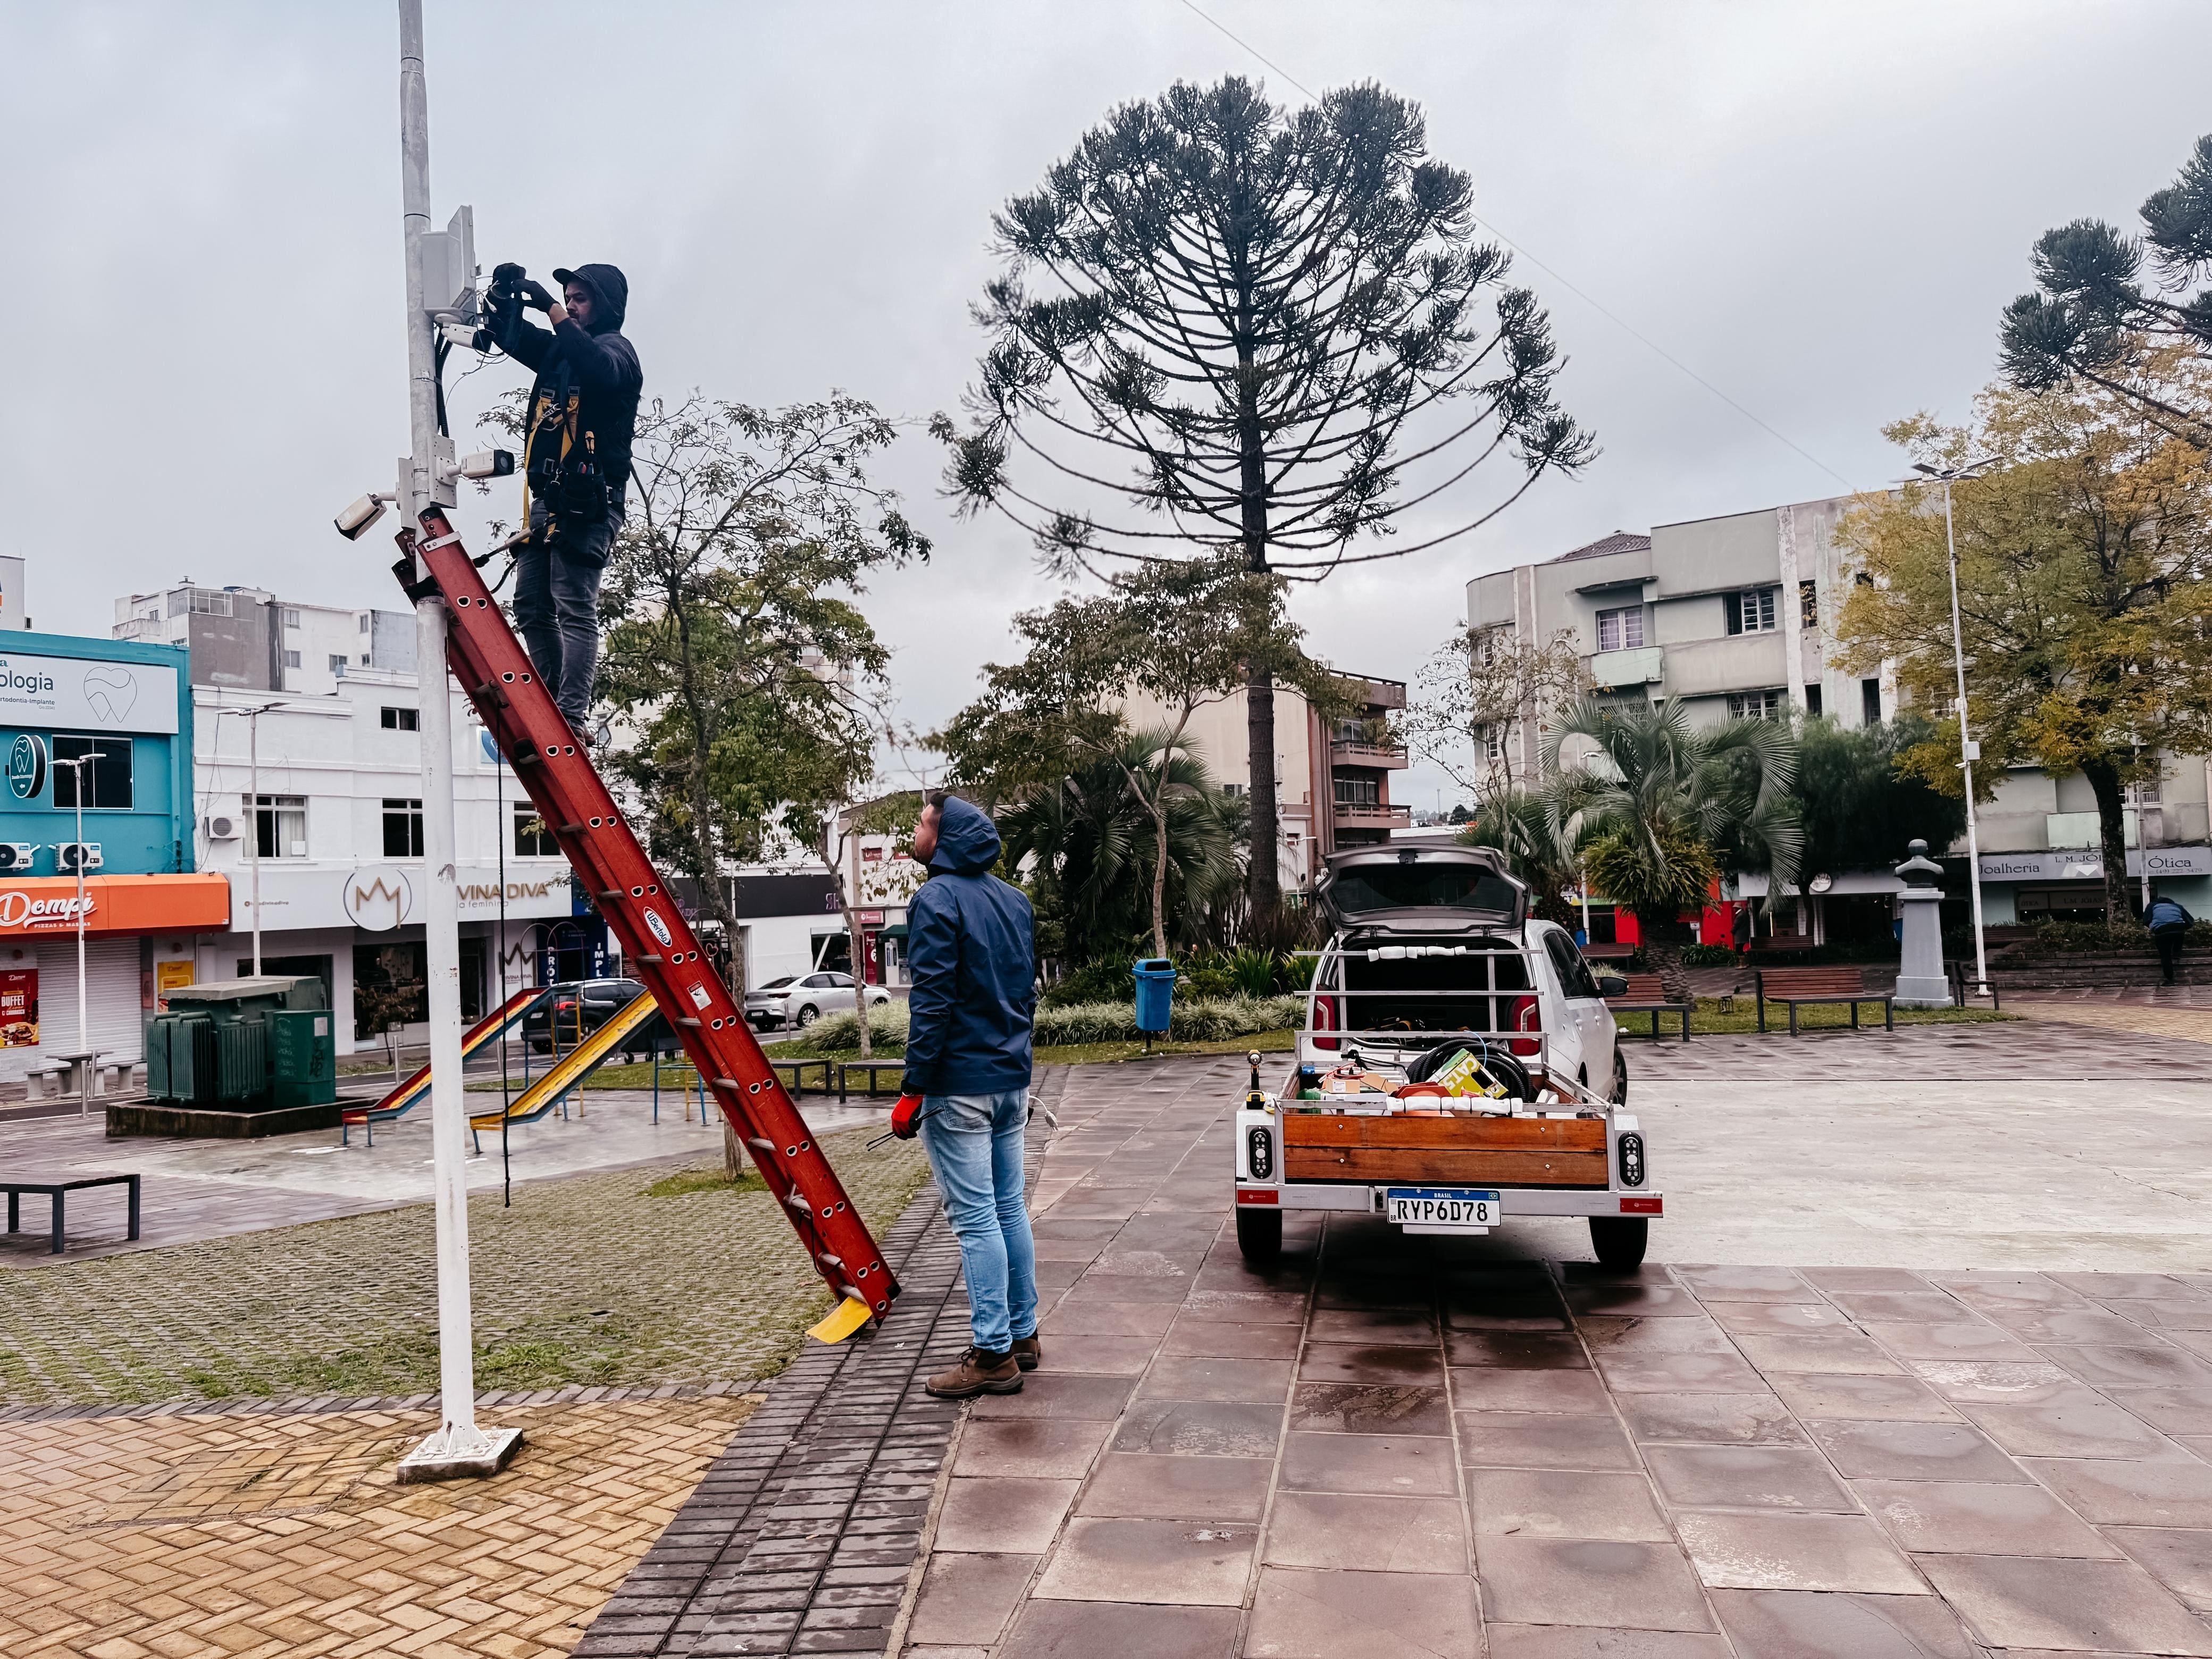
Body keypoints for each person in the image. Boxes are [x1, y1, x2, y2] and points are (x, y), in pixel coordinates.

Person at [890, 792, 1040, 1398]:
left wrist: (912, 1089)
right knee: (1008, 1209)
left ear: (945, 835)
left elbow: (932, 1002)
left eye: (925, 823)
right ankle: (1023, 1335)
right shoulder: (1014, 900)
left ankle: (991, 1355)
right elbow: (1026, 990)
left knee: (976, 1218)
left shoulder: (934, 899)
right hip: (1009, 1081)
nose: (918, 831)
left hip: (959, 1087)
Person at [484, 262, 642, 733]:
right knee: (532, 604)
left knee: (574, 603)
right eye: (568, 298)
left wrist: (552, 309)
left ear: (606, 306)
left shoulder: (618, 352)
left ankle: (571, 716)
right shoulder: (562, 351)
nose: (572, 305)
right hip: (550, 502)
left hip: (591, 504)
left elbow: (597, 370)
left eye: (581, 299)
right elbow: (514, 339)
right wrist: (506, 296)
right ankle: (551, 702)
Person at [2146, 887, 2194, 985]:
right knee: (2178, 934)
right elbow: (2190, 921)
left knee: (2165, 955)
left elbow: (2146, 920)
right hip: (2179, 928)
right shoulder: (2177, 906)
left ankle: (2170, 979)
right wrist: (2183, 929)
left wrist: (2154, 929)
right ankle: (2177, 953)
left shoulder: (2152, 906)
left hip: (2162, 931)